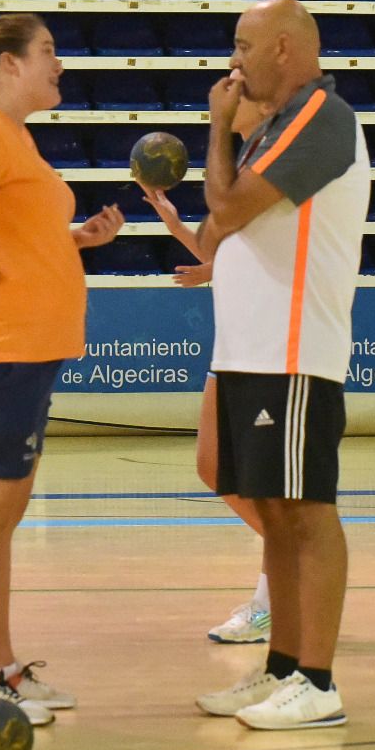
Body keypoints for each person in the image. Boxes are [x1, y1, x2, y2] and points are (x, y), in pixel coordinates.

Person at [0, 13, 125, 725]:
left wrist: (69, 239)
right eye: (47, 51)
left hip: (21, 353)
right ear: (9, 65)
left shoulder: (9, 133)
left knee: (1, 520)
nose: (58, 63)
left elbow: (5, 222)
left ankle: (0, 668)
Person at [192, 0, 368, 730]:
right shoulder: (270, 130)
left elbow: (226, 210)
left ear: (286, 50)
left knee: (306, 514)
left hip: (294, 353)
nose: (233, 61)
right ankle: (281, 670)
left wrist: (215, 131)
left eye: (243, 45)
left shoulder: (321, 116)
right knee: (273, 512)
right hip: (250, 353)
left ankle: (318, 683)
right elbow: (216, 231)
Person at [141, 96, 277, 646]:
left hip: (268, 345)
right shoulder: (244, 168)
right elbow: (232, 249)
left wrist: (215, 265)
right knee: (211, 466)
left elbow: (276, 256)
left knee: (269, 488)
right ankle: (295, 561)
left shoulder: (278, 162)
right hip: (232, 341)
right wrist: (180, 230)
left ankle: (273, 600)